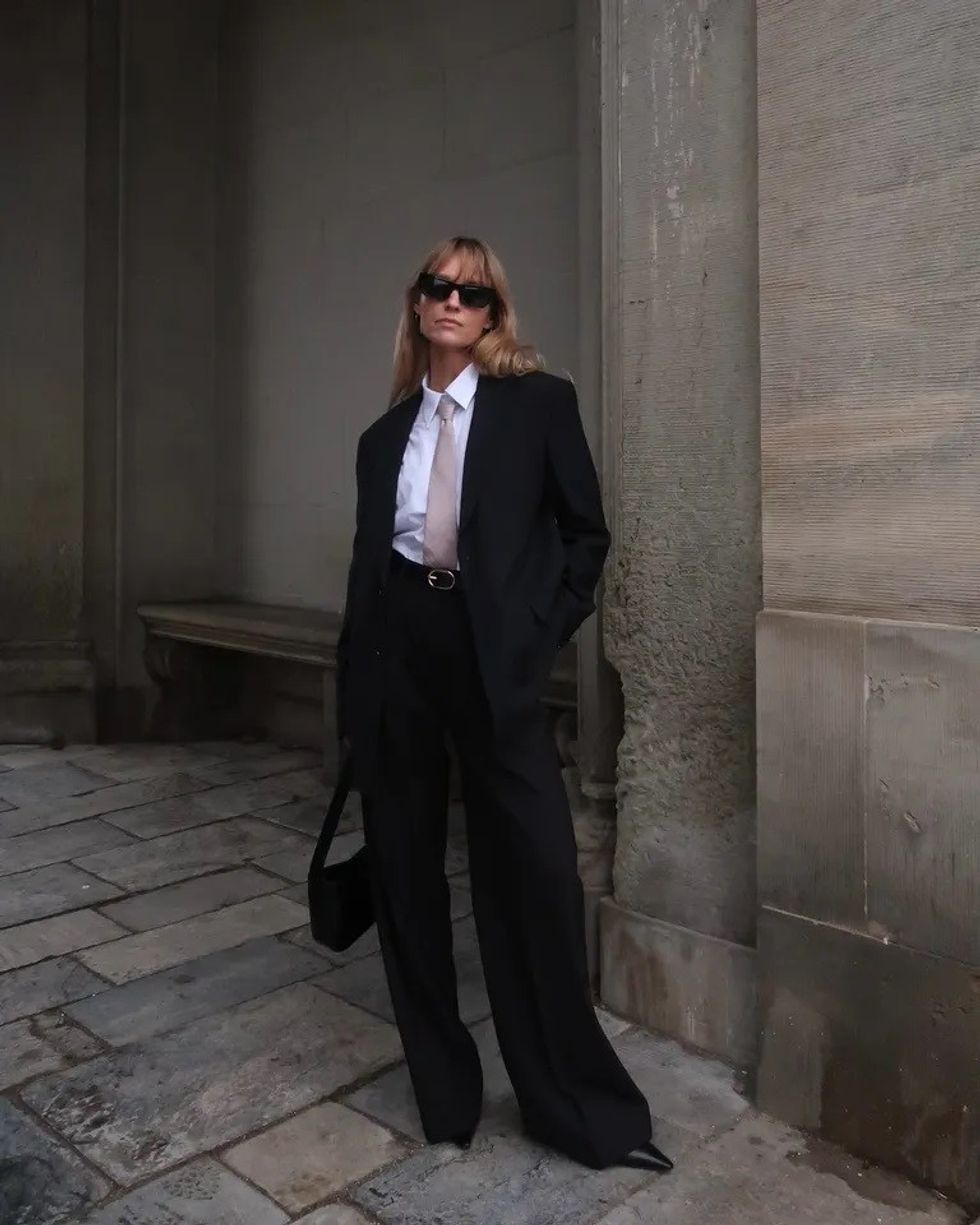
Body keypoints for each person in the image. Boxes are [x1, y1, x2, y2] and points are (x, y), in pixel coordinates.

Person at [335, 235, 671, 1173]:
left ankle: (582, 1112)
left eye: (472, 292)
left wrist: (535, 636)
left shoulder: (538, 405)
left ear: (492, 313)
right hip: (397, 656)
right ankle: (445, 1097)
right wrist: (354, 698)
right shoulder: (381, 440)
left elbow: (585, 535)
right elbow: (368, 569)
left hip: (494, 658)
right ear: (417, 303)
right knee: (405, 875)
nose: (453, 301)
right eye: (437, 286)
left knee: (533, 875)